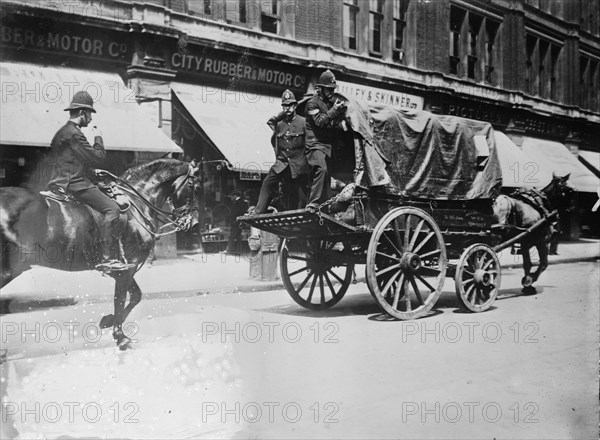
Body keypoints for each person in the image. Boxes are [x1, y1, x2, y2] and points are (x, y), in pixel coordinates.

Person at [47, 91, 129, 271]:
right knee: (112, 208)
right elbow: (98, 157)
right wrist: (98, 137)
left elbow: (70, 160)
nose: (91, 119)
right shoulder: (75, 134)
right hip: (75, 184)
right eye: (90, 114)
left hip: (60, 181)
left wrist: (92, 172)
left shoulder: (62, 132)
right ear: (82, 113)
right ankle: (108, 258)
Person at [254, 89, 308, 214]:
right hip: (282, 163)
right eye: (284, 106)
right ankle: (258, 211)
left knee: (301, 196)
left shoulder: (303, 122)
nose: (287, 108)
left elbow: (309, 144)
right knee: (268, 182)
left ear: (295, 106)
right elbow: (275, 140)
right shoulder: (279, 125)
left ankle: (299, 218)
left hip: (299, 165)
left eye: (290, 105)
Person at [304, 70, 349, 211]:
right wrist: (334, 111)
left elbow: (333, 125)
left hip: (327, 147)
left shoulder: (329, 105)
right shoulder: (312, 104)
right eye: (328, 89)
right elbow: (320, 122)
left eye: (332, 89)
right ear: (320, 88)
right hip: (315, 145)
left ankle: (325, 205)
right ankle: (313, 203)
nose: (330, 92)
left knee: (328, 176)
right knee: (321, 169)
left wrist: (345, 125)